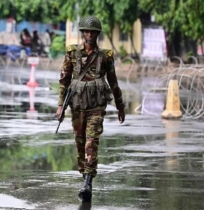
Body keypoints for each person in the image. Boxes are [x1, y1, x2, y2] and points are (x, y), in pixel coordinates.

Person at [55, 16, 125, 201]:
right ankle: (85, 174)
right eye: (86, 31)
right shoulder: (72, 54)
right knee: (80, 143)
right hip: (77, 106)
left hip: (96, 107)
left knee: (90, 143)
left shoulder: (105, 57)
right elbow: (64, 81)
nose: (89, 34)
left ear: (97, 34)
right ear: (82, 33)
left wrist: (120, 106)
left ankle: (87, 183)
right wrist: (60, 105)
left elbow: (113, 81)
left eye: (92, 31)